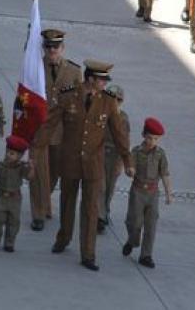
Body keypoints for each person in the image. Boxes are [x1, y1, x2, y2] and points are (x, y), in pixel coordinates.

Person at [51, 60, 133, 272]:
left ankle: (88, 253)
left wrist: (127, 160)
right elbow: (50, 123)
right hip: (70, 159)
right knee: (67, 201)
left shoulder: (108, 102)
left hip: (93, 164)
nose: (105, 84)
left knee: (90, 208)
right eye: (102, 80)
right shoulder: (68, 95)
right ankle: (64, 237)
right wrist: (34, 149)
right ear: (90, 79)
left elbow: (119, 134)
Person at [29, 29, 81, 231]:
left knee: (55, 172)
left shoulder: (74, 71)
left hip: (61, 130)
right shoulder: (34, 67)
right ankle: (38, 213)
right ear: (43, 48)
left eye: (56, 47)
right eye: (48, 47)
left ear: (63, 48)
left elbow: (78, 101)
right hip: (39, 127)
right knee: (38, 172)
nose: (52, 50)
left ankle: (44, 200)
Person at [121, 117, 173, 269]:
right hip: (138, 191)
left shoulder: (160, 154)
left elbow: (165, 174)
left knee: (151, 225)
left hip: (153, 193)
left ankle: (146, 255)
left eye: (156, 139)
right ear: (144, 135)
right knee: (134, 221)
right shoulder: (136, 152)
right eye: (150, 138)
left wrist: (169, 193)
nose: (152, 141)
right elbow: (130, 167)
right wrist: (130, 171)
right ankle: (132, 241)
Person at [0, 135, 34, 252]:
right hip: (1, 196)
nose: (9, 155)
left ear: (19, 156)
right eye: (8, 152)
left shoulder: (21, 168)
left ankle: (9, 242)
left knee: (13, 222)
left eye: (12, 154)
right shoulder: (0, 166)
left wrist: (32, 168)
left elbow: (29, 177)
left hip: (15, 198)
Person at [97, 84, 129, 234]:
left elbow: (125, 142)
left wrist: (122, 162)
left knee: (109, 188)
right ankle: (100, 216)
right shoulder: (100, 114)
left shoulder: (123, 118)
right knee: (101, 186)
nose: (114, 102)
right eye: (111, 99)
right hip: (100, 152)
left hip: (115, 155)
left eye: (118, 100)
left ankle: (105, 210)